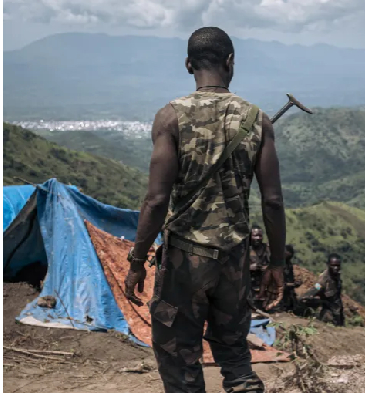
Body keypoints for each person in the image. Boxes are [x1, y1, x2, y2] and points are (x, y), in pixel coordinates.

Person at [122, 27, 286, 393]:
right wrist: (276, 264)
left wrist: (136, 262)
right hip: (234, 260)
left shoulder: (170, 117)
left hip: (184, 260)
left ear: (188, 65)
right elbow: (273, 201)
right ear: (230, 62)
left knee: (181, 364)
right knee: (235, 355)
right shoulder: (257, 120)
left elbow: (155, 200)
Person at [297, 253, 344, 326]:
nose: (336, 268)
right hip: (329, 314)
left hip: (337, 312)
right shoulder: (323, 281)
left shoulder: (336, 277)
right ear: (328, 265)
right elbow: (314, 289)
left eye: (337, 265)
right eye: (333, 265)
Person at [249, 225, 270, 305]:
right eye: (255, 235)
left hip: (264, 283)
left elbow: (274, 264)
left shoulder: (267, 249)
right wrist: (249, 267)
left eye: (260, 236)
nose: (258, 238)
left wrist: (266, 268)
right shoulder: (245, 249)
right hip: (248, 283)